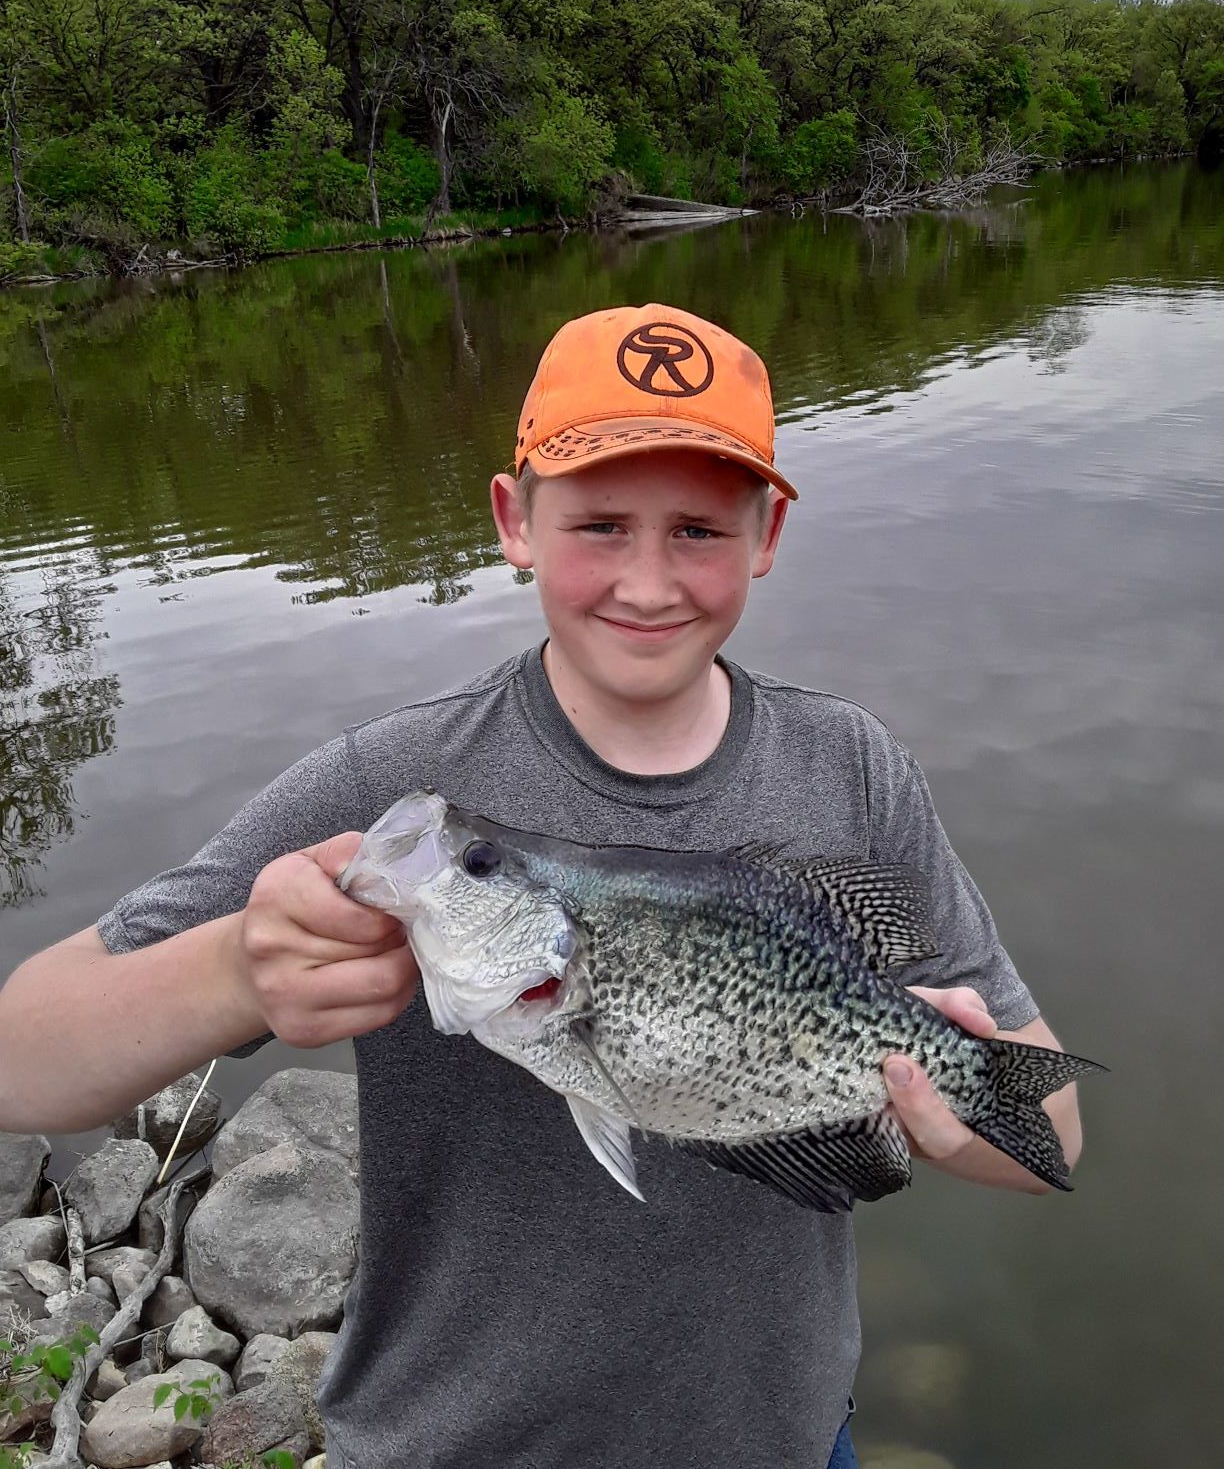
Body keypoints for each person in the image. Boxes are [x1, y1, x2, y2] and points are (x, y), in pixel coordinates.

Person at [0, 303, 1084, 1469]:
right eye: (601, 523)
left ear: (767, 534)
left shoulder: (852, 774)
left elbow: (1051, 1139)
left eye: (700, 531)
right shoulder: (394, 786)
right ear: (514, 520)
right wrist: (232, 970)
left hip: (777, 1441)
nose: (649, 580)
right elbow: (23, 1060)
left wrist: (942, 1109)